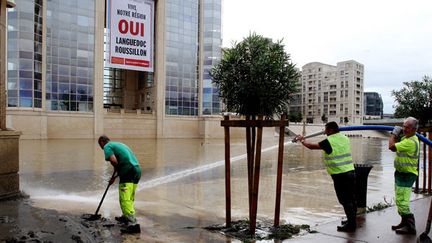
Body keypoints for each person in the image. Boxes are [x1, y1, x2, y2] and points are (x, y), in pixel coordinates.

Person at [295, 121, 357, 232]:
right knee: (351, 198)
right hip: (351, 172)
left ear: (331, 130)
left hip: (340, 174)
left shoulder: (329, 141)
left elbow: (311, 146)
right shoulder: (345, 138)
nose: (325, 132)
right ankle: (351, 220)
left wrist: (302, 141)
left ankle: (351, 225)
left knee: (345, 200)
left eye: (326, 130)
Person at [98, 135, 142, 234]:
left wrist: (118, 171)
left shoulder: (107, 147)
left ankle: (133, 224)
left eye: (100, 146)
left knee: (124, 198)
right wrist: (114, 177)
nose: (102, 148)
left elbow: (114, 161)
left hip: (127, 171)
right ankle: (125, 216)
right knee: (129, 196)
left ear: (101, 142)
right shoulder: (119, 144)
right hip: (136, 170)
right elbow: (120, 162)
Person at [388, 117, 419, 235]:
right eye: (403, 126)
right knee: (399, 200)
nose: (404, 129)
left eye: (407, 127)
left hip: (407, 175)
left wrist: (393, 134)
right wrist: (398, 135)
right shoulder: (407, 138)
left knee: (402, 202)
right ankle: (404, 222)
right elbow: (395, 148)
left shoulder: (410, 142)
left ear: (414, 129)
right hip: (401, 173)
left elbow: (391, 146)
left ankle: (410, 227)